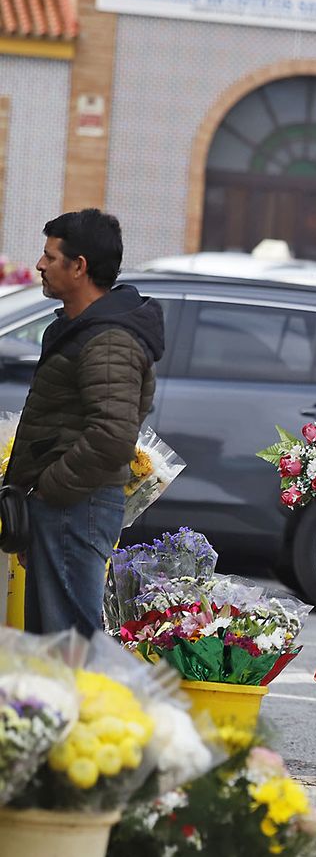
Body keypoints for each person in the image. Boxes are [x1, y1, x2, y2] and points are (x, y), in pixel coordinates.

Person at [10, 210, 164, 636]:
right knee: (51, 642)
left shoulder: (110, 338)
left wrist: (49, 489)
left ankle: (85, 706)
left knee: (70, 640)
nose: (40, 265)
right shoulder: (83, 329)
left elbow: (111, 436)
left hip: (76, 504)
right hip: (67, 505)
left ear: (79, 267)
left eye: (50, 256)